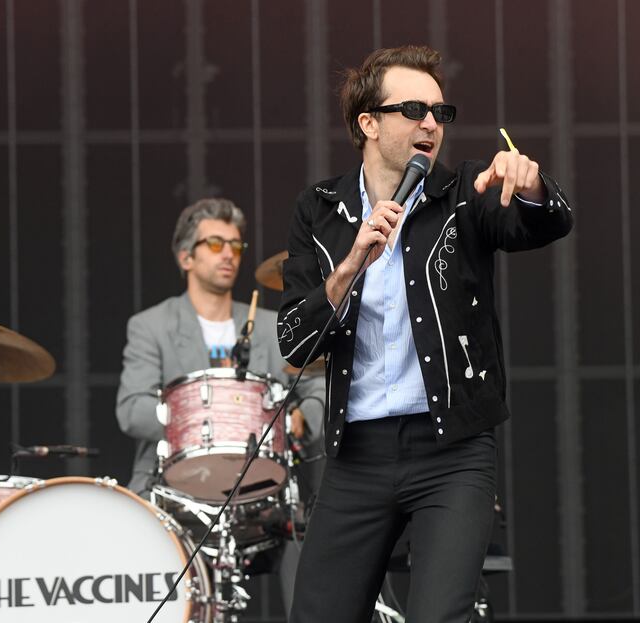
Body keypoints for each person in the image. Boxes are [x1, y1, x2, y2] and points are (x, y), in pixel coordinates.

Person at [277, 45, 573, 623]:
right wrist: (347, 269)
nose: (431, 123)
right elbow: (294, 341)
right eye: (413, 109)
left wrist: (533, 185)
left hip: (452, 451)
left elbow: (546, 222)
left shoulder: (464, 192)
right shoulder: (320, 208)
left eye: (441, 112)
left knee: (440, 616)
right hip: (357, 450)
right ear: (368, 123)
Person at [116, 197, 324, 613]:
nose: (228, 253)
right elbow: (131, 408)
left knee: (310, 525)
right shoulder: (151, 326)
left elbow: (319, 388)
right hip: (173, 489)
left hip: (263, 487)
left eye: (235, 245)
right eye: (214, 244)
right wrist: (198, 419)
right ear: (185, 257)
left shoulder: (269, 326)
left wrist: (300, 418)